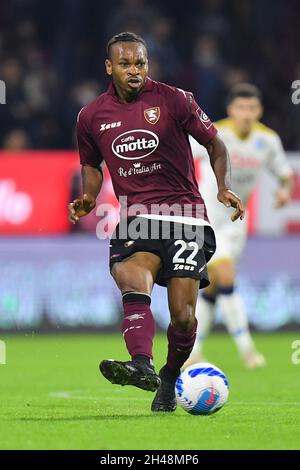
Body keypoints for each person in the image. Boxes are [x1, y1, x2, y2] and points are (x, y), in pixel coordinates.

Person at [68, 32, 244, 412]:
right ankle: (141, 364)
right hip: (137, 214)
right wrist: (88, 196)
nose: (135, 70)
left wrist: (223, 188)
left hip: (185, 216)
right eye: (126, 64)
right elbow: (91, 163)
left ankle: (167, 377)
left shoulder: (176, 100)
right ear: (109, 67)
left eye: (141, 63)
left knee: (183, 317)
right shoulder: (91, 115)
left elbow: (216, 143)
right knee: (132, 280)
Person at [186, 83, 293, 369]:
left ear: (259, 110)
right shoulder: (214, 133)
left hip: (236, 222)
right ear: (231, 110)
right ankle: (248, 351)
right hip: (207, 217)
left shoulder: (268, 141)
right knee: (223, 272)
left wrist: (284, 191)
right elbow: (184, 155)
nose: (246, 114)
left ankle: (194, 351)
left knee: (211, 287)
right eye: (241, 108)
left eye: (251, 108)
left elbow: (285, 175)